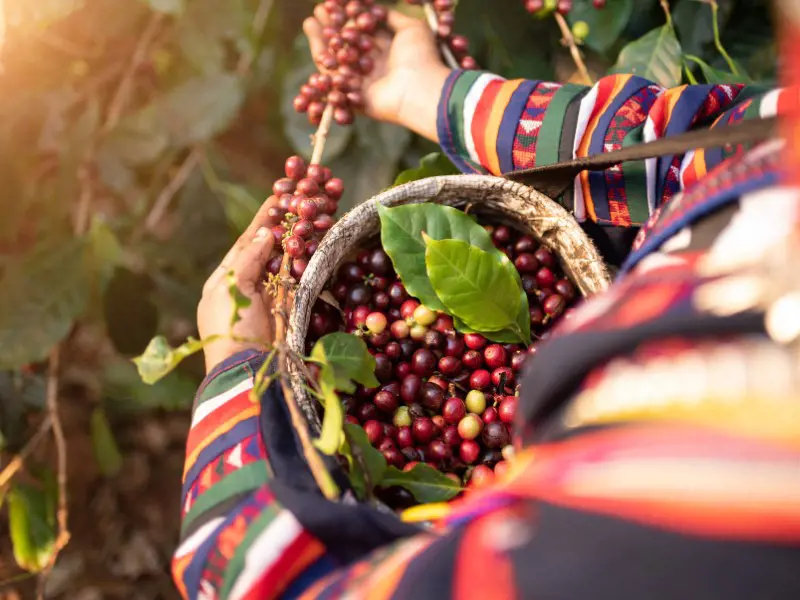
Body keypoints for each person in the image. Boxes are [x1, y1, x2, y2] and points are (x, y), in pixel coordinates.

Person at [175, 6, 800, 600]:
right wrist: (434, 95)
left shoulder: (692, 522)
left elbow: (272, 584)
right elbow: (687, 151)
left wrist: (236, 372)